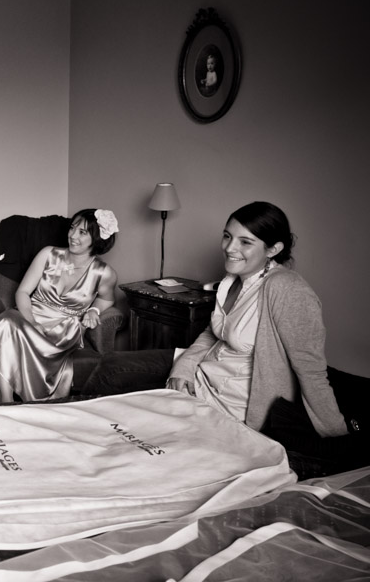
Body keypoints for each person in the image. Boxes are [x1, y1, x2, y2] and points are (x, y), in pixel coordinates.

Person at [84, 202, 364, 475]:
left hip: (231, 401)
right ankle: (79, 434)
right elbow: (212, 332)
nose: (230, 248)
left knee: (135, 428)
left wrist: (339, 440)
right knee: (110, 368)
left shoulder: (288, 290)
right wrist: (184, 367)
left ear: (273, 249)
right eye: (228, 236)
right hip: (202, 373)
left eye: (245, 242)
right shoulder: (233, 280)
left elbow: (311, 369)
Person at [0, 209, 119, 403]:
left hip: (64, 330)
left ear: (96, 239)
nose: (72, 235)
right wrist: (31, 322)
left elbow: (107, 299)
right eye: (72, 228)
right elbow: (22, 292)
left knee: (7, 326)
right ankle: (5, 400)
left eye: (82, 232)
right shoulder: (48, 254)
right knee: (5, 324)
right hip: (30, 314)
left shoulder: (104, 273)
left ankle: (17, 402)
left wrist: (94, 310)